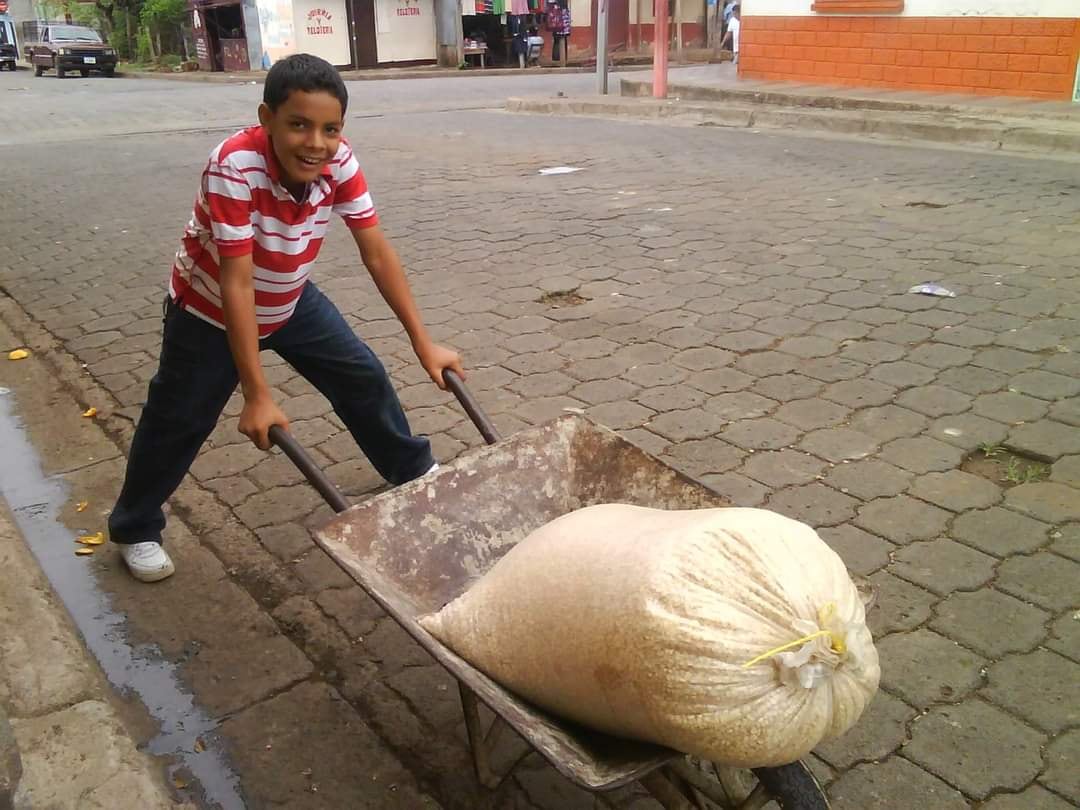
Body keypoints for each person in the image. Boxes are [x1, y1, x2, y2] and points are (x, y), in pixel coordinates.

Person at [108, 53, 464, 583]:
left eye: (330, 129)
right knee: (178, 418)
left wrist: (423, 343)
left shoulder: (338, 161)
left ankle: (409, 468)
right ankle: (135, 526)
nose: (315, 143)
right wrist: (257, 393)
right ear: (267, 118)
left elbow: (376, 252)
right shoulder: (233, 166)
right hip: (210, 311)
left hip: (291, 296)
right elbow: (237, 282)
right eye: (298, 124)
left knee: (361, 375)